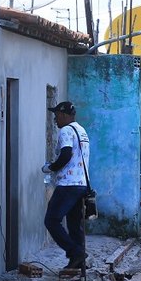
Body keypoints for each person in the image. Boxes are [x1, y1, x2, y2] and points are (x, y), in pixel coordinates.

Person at [42, 101, 90, 269]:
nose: (55, 120)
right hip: (82, 184)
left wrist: (51, 168)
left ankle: (75, 253)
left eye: (56, 116)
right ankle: (78, 264)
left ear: (63, 115)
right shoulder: (81, 131)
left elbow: (66, 155)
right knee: (74, 225)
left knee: (51, 220)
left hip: (69, 184)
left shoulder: (66, 130)